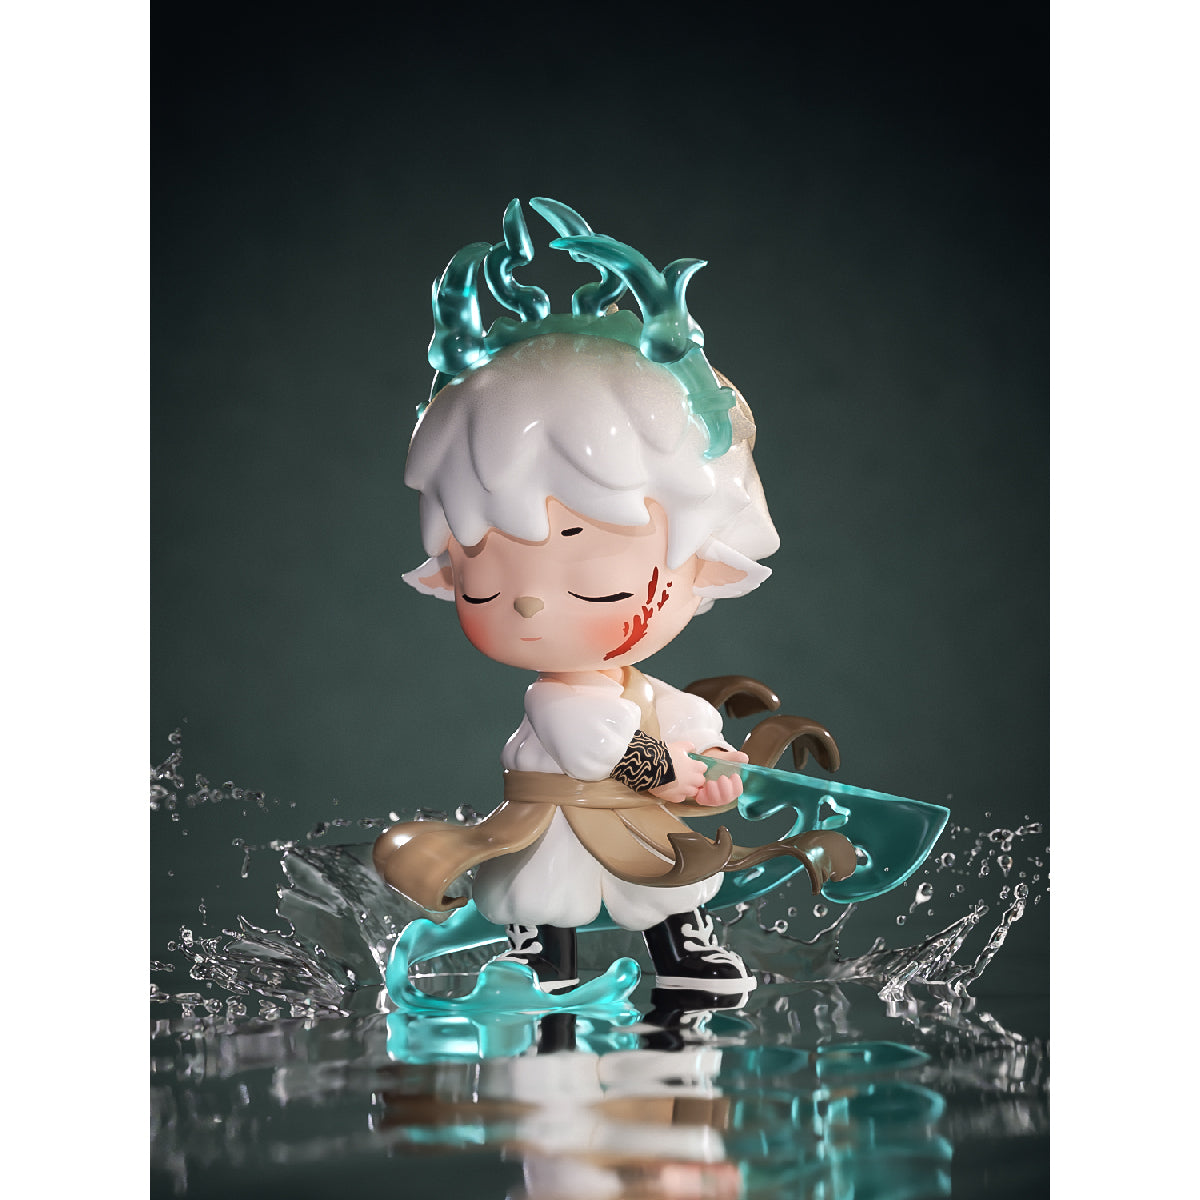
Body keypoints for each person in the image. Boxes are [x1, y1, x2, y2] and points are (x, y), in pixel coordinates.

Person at [373, 199, 854, 996]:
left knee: (665, 878)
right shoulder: (556, 699)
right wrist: (670, 772)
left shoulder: (634, 688)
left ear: (702, 566)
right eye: (485, 579)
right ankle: (539, 960)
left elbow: (669, 719)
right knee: (545, 893)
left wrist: (712, 765)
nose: (530, 604)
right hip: (559, 820)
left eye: (594, 578)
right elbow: (603, 747)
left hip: (631, 821)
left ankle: (682, 953)